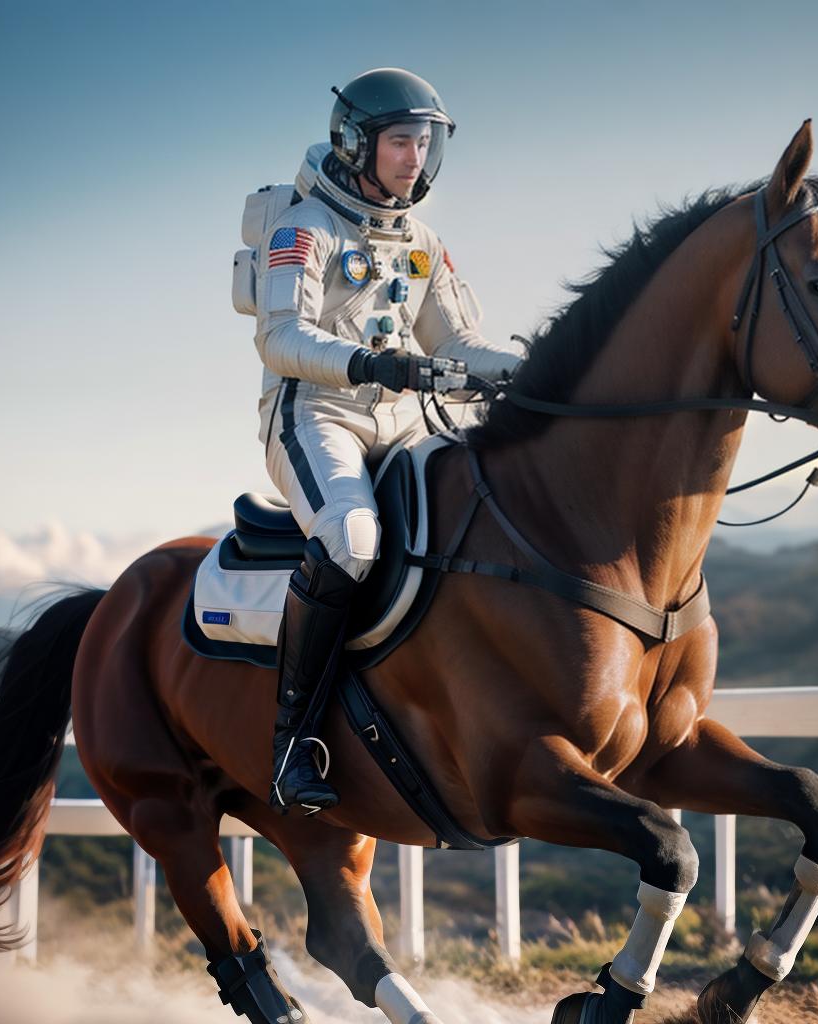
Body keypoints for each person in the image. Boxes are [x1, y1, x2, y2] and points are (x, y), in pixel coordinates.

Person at [253, 68, 522, 814]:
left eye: (425, 142)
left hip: (405, 421)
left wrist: (542, 370)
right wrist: (369, 362)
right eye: (400, 140)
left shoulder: (424, 241)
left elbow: (460, 343)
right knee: (352, 538)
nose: (415, 157)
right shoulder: (302, 226)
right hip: (317, 418)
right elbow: (279, 338)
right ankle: (291, 744)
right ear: (356, 143)